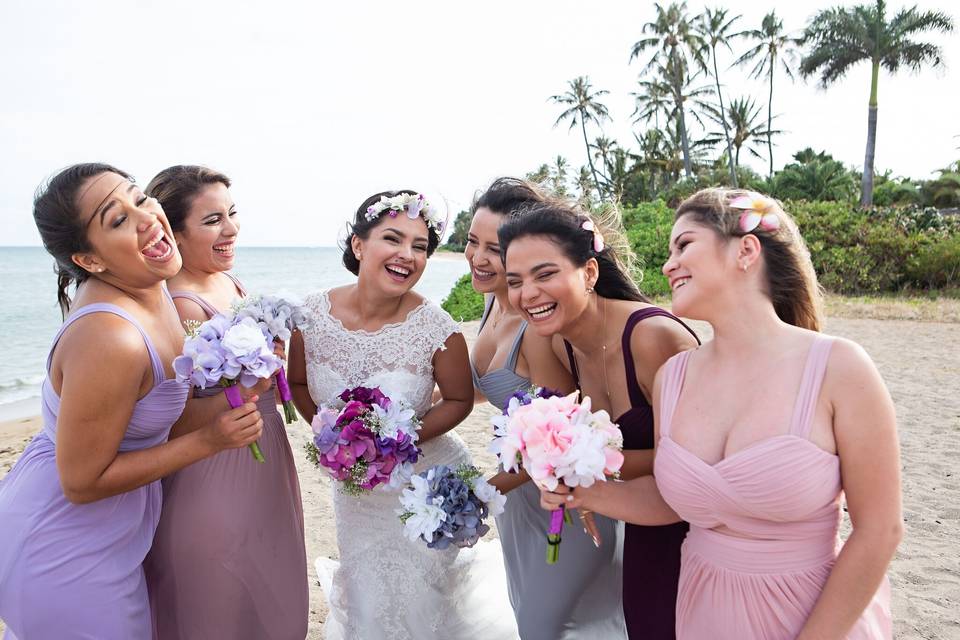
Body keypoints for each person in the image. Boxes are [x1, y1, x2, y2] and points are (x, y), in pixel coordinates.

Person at [541, 189, 900, 639]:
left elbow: (880, 530)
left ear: (746, 251)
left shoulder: (840, 367)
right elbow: (671, 500)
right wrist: (584, 493)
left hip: (809, 615)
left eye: (684, 245)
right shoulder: (675, 376)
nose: (668, 265)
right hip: (703, 611)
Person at [0, 164, 263, 639]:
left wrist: (246, 390)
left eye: (139, 199)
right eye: (116, 220)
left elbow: (156, 418)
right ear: (91, 260)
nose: (145, 218)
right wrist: (209, 440)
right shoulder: (111, 337)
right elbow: (81, 481)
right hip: (64, 545)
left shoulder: (153, 287)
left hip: (111, 535)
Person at [287, 189, 517, 639]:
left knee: (418, 602)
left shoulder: (438, 328)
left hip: (425, 485)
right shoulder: (310, 316)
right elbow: (298, 383)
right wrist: (332, 437)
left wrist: (397, 441)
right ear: (358, 246)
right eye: (393, 239)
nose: (407, 255)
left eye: (420, 246)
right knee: (369, 602)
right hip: (356, 494)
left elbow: (457, 400)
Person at [498, 199, 699, 639]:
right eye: (515, 281)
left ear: (589, 272)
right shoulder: (554, 342)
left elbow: (692, 462)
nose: (527, 293)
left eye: (545, 274)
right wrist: (561, 468)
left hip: (696, 531)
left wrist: (588, 469)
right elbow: (559, 432)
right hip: (642, 524)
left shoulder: (654, 339)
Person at [142, 165, 308, 639]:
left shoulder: (230, 284)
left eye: (231, 214)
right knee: (220, 600)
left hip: (265, 456)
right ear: (173, 233)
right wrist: (250, 387)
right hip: (215, 473)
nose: (231, 229)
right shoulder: (179, 305)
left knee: (271, 590)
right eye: (212, 220)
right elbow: (170, 418)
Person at [466, 178, 626, 639]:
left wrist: (482, 490)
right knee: (532, 620)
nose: (478, 258)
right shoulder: (495, 306)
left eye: (493, 248)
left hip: (554, 502)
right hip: (518, 502)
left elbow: (556, 438)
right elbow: (488, 388)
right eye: (472, 242)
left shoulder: (537, 326)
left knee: (548, 625)